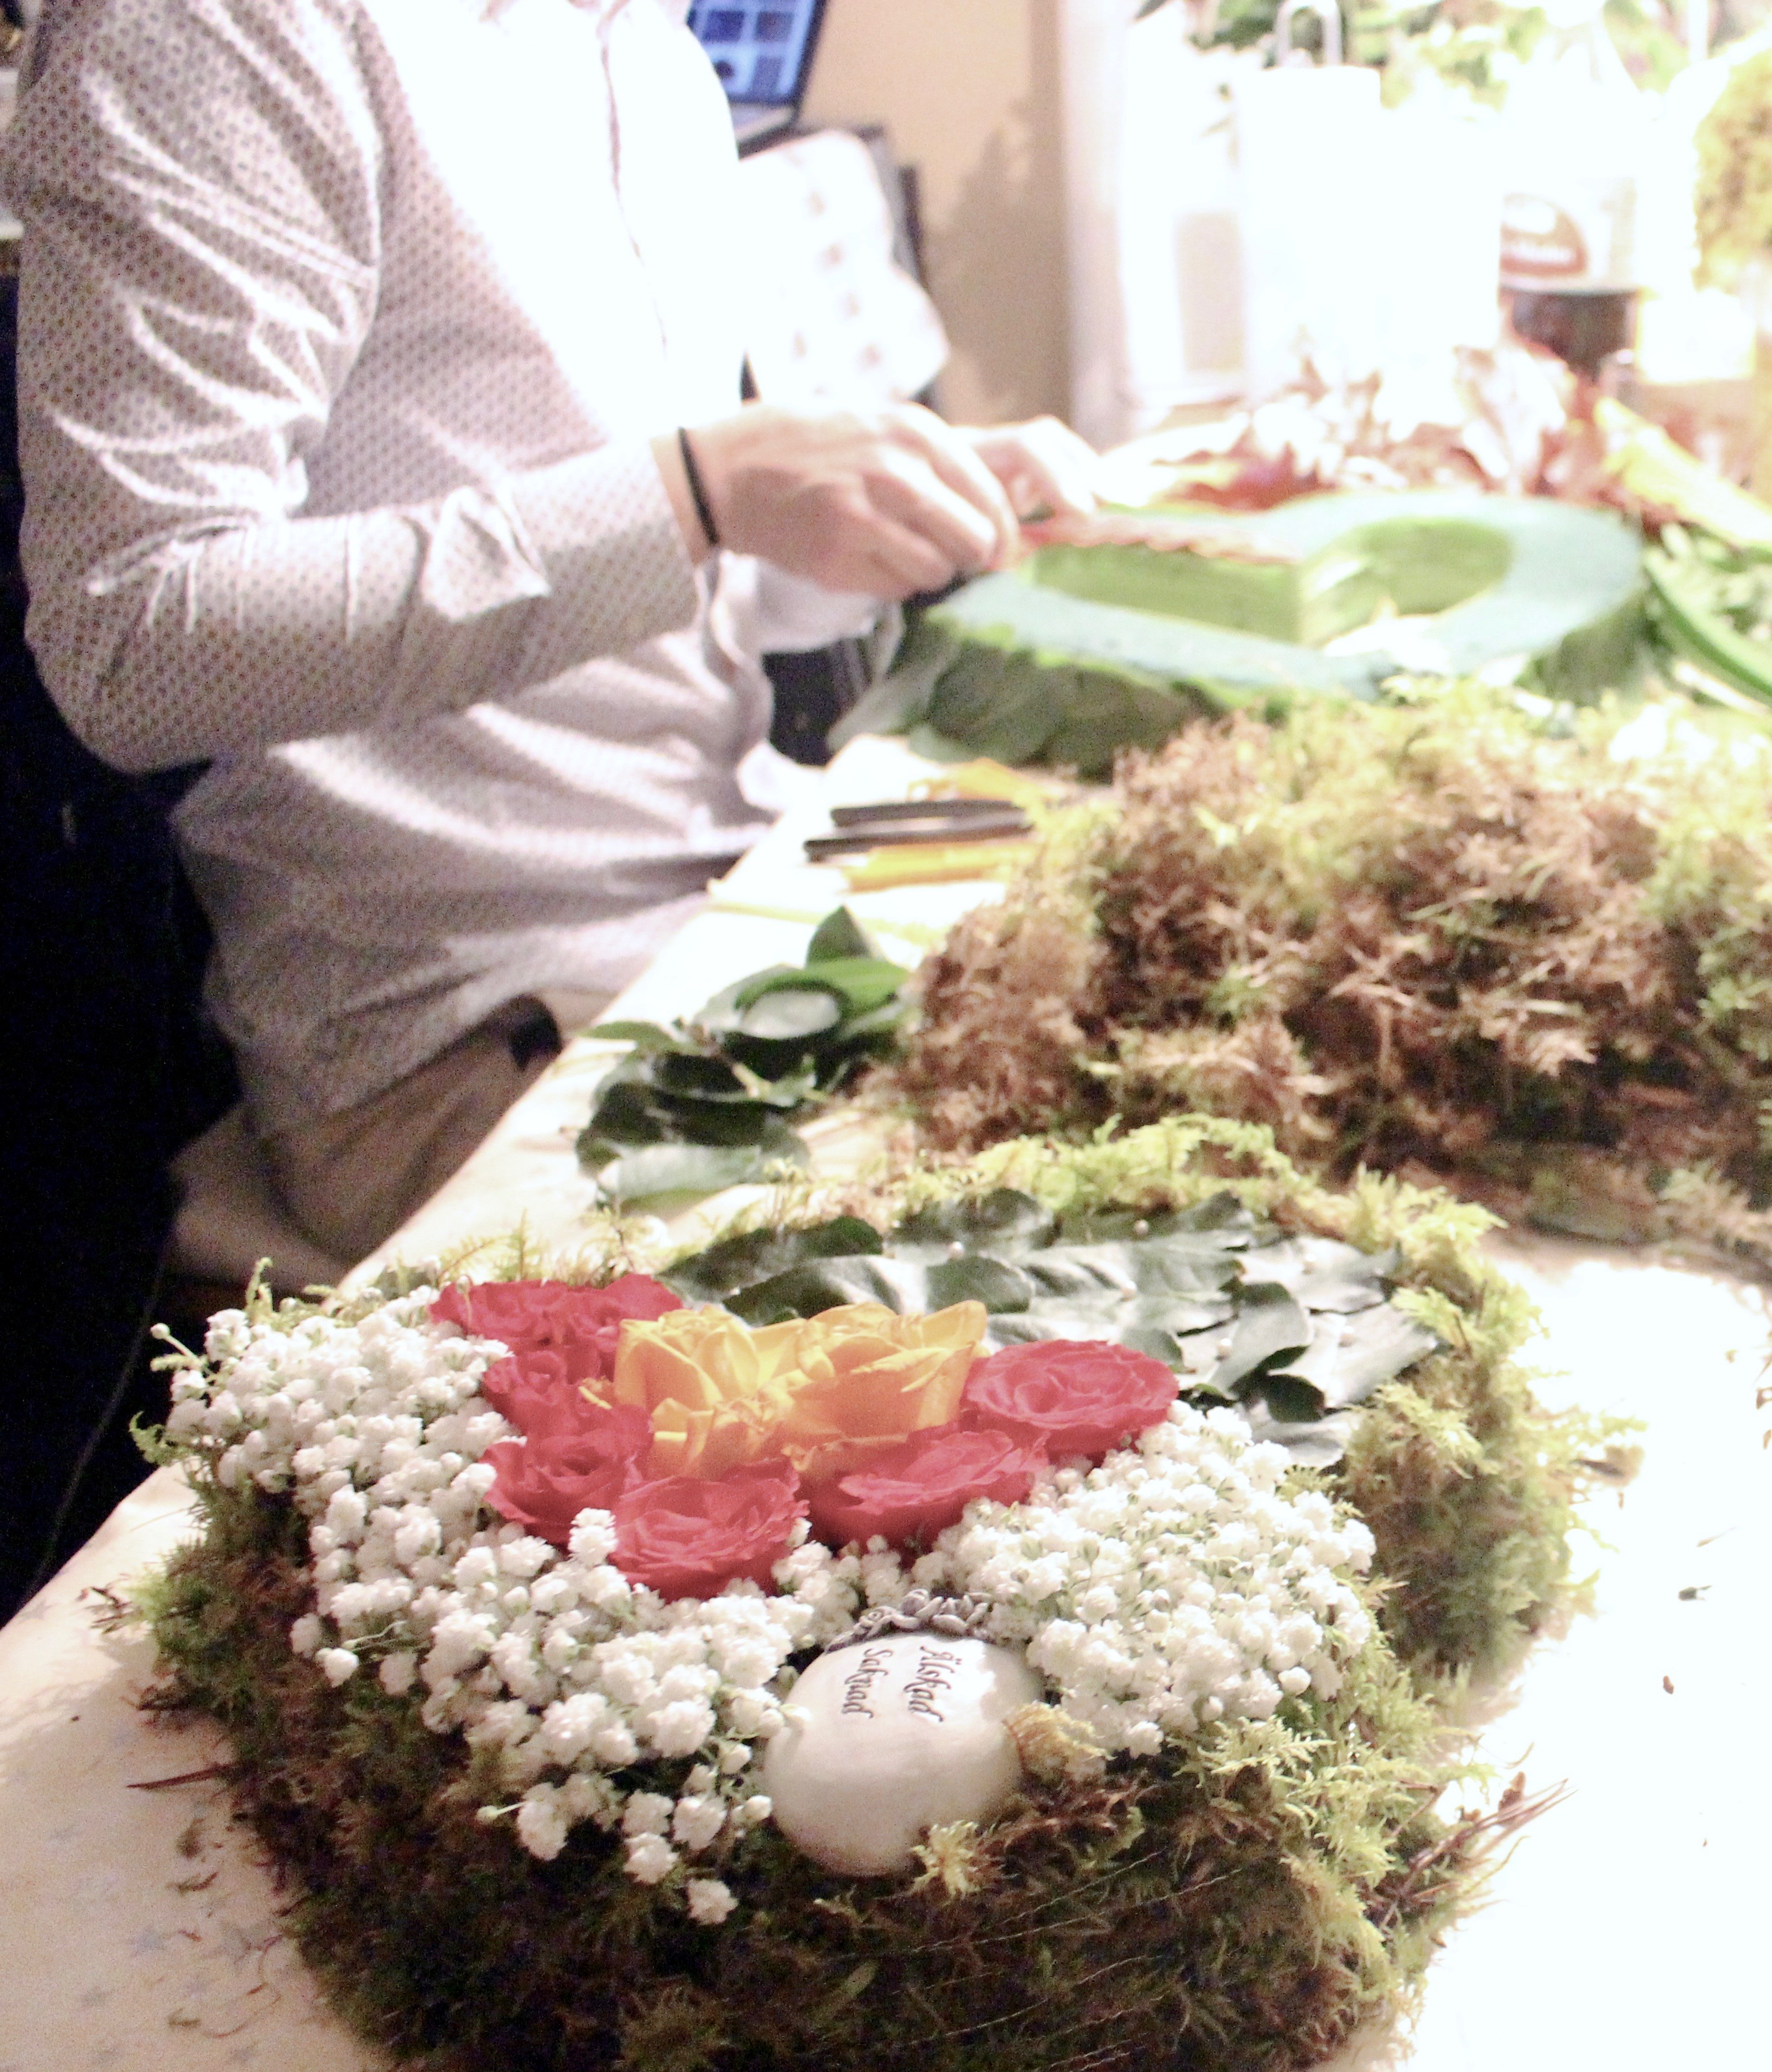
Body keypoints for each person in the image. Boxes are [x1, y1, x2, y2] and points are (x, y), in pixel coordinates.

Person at [4, 0, 1100, 1264]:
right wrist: (698, 494)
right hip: (466, 1029)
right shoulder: (227, 27)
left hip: (738, 903)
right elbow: (133, 640)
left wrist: (868, 509)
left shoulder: (648, 52)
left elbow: (653, 570)